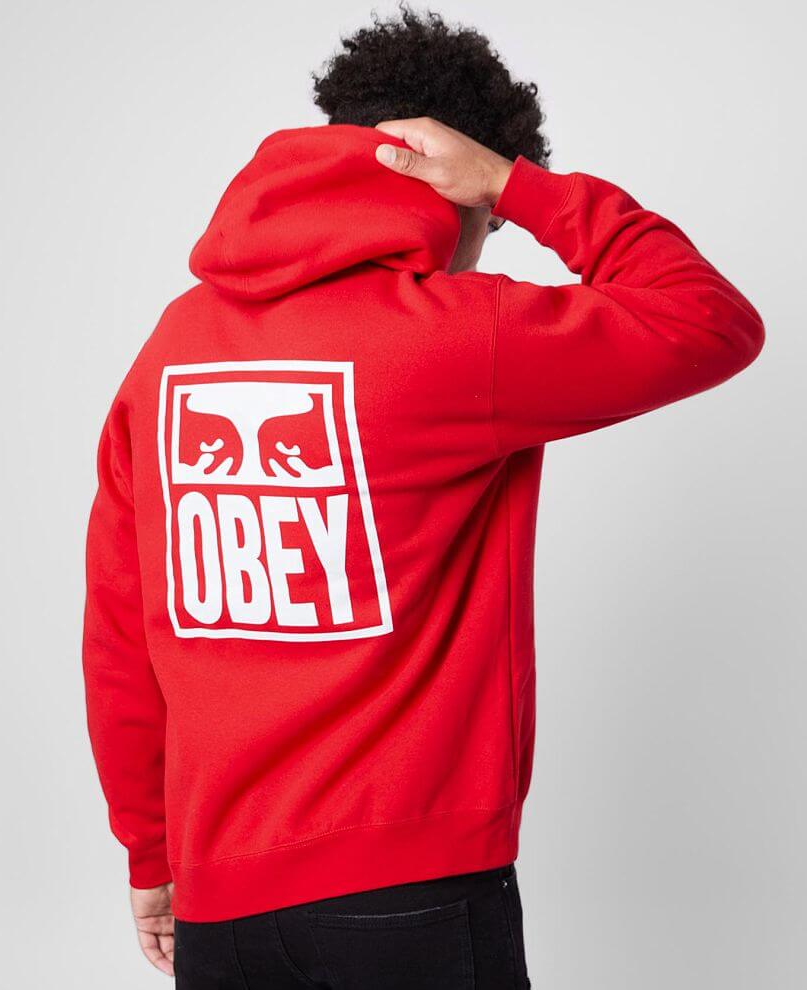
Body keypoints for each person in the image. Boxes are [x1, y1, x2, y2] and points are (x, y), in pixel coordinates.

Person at [82, 8, 763, 988]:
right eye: (488, 223)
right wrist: (517, 186)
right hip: (412, 893)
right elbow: (708, 320)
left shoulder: (170, 349)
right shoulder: (459, 336)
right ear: (453, 185)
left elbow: (119, 629)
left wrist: (151, 853)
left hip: (219, 903)